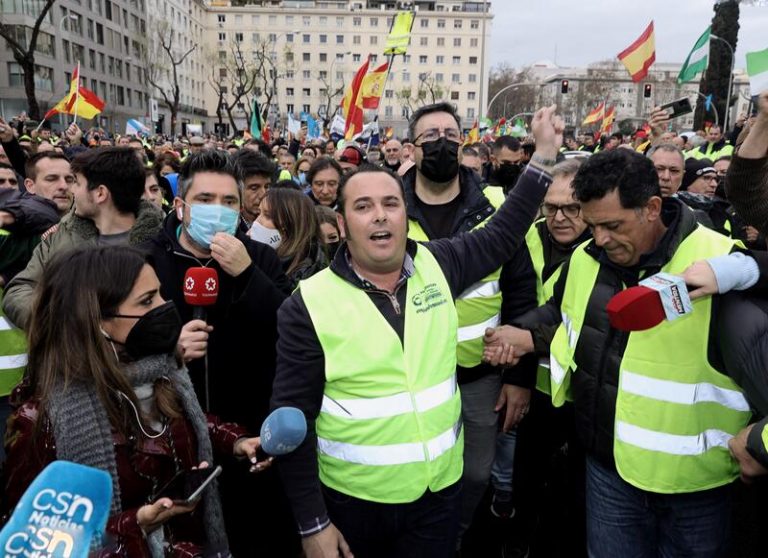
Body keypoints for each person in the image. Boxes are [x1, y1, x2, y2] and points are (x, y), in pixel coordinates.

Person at [271, 106, 563, 558]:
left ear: (406, 216)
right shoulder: (306, 304)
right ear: (342, 225)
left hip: (438, 497)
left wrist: (543, 156)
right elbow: (294, 421)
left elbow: (504, 232)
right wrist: (313, 524)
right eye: (364, 207)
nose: (381, 216)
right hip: (354, 504)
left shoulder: (439, 263)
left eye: (391, 204)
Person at [483, 148, 768, 558]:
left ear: (652, 208)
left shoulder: (720, 264)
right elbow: (564, 313)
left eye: (613, 226)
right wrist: (522, 332)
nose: (599, 239)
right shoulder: (586, 257)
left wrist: (758, 444)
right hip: (608, 472)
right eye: (593, 225)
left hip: (696, 489)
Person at [0, 245, 267, 556]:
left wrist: (234, 440)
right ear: (97, 320)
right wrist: (134, 525)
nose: (164, 307)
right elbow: (34, 541)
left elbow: (180, 420)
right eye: (146, 301)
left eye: (160, 294)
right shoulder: (42, 421)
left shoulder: (163, 370)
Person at [141, 150, 296, 557]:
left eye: (229, 201)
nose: (219, 210)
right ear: (181, 206)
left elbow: (291, 329)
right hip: (173, 438)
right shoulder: (146, 262)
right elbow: (117, 346)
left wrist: (247, 275)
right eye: (206, 200)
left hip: (247, 437)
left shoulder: (259, 258)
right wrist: (169, 349)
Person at [400, 102, 536, 545]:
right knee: (414, 471)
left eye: (450, 132)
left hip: (481, 376)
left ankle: (452, 539)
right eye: (430, 135)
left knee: (476, 472)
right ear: (412, 148)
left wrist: (519, 376)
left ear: (464, 141)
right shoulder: (388, 208)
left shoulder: (497, 205)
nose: (442, 142)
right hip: (410, 377)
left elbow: (520, 291)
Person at [487, 159, 590, 556]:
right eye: (551, 207)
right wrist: (518, 378)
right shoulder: (521, 239)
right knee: (526, 478)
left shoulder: (608, 246)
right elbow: (514, 309)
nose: (560, 217)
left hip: (586, 392)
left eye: (572, 207)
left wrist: (530, 339)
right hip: (534, 387)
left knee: (578, 492)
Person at [3, 147, 164, 330]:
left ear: (100, 194)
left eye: (76, 183)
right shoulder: (61, 236)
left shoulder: (163, 242)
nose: (70, 190)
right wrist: (61, 325)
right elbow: (19, 290)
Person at [251, 187, 328, 289]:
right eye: (258, 213)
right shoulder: (265, 259)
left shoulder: (308, 275)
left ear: (292, 223)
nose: (256, 222)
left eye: (268, 216)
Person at [233, 149, 275, 227]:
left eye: (267, 187)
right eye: (254, 188)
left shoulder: (279, 222)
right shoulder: (228, 227)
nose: (263, 194)